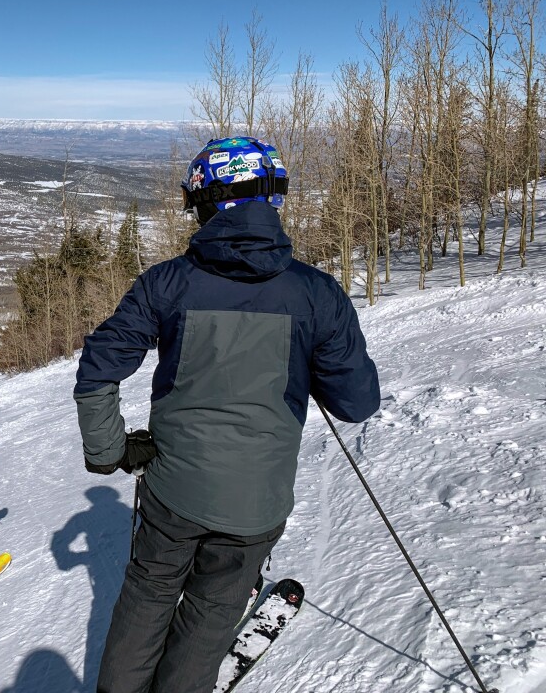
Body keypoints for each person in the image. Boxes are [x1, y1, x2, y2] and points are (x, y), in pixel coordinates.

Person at [73, 136, 380, 693]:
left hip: (173, 490)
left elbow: (100, 365)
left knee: (149, 594)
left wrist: (109, 450)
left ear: (206, 204)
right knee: (211, 615)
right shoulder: (316, 293)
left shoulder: (167, 283)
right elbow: (356, 404)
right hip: (256, 502)